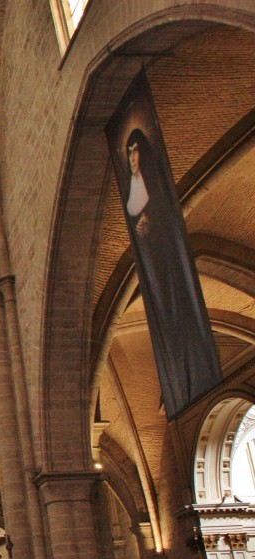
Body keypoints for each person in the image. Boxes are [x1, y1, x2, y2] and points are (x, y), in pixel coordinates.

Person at [122, 128, 221, 415]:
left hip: (164, 261)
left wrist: (151, 224)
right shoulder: (133, 184)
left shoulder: (154, 182)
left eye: (136, 150)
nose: (132, 158)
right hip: (150, 271)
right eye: (128, 152)